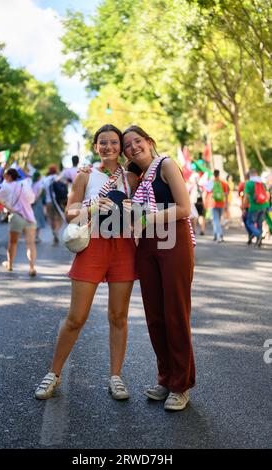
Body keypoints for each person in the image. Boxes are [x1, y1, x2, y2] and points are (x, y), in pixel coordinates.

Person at [35, 124, 138, 401]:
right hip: (92, 245)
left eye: (114, 142)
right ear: (95, 147)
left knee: (118, 317)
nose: (108, 147)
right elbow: (71, 213)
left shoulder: (131, 177)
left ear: (121, 146)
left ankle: (116, 377)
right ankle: (53, 374)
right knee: (76, 317)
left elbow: (145, 206)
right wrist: (91, 207)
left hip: (124, 247)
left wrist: (134, 210)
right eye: (102, 142)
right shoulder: (85, 176)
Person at [122, 125, 195, 411]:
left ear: (149, 141)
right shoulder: (137, 178)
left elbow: (185, 208)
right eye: (127, 145)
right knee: (155, 316)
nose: (133, 147)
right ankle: (165, 378)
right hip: (147, 245)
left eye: (137, 141)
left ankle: (181, 385)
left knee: (175, 313)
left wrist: (143, 217)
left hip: (173, 240)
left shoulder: (165, 165)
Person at [0, 168, 37, 276]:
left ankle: (10, 265)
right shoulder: (25, 184)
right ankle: (32, 268)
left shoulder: (6, 186)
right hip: (30, 217)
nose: (3, 178)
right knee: (30, 244)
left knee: (13, 243)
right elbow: (32, 199)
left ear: (8, 176)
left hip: (16, 216)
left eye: (4, 176)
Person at [243, 168, 269, 247]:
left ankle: (258, 234)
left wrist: (244, 207)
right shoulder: (262, 183)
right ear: (256, 174)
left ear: (250, 175)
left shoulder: (248, 184)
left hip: (254, 207)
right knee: (259, 223)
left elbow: (246, 197)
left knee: (249, 222)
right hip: (264, 206)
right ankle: (259, 240)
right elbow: (267, 195)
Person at [43, 165, 64, 246]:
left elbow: (44, 191)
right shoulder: (58, 177)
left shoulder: (45, 180)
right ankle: (56, 231)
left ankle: (54, 235)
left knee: (51, 219)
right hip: (58, 202)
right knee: (60, 219)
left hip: (49, 202)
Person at [32, 171, 46, 243]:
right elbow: (39, 193)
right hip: (37, 202)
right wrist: (36, 200)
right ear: (38, 177)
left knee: (33, 218)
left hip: (31, 203)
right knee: (38, 219)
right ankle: (36, 236)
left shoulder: (32, 184)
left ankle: (34, 236)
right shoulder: (40, 184)